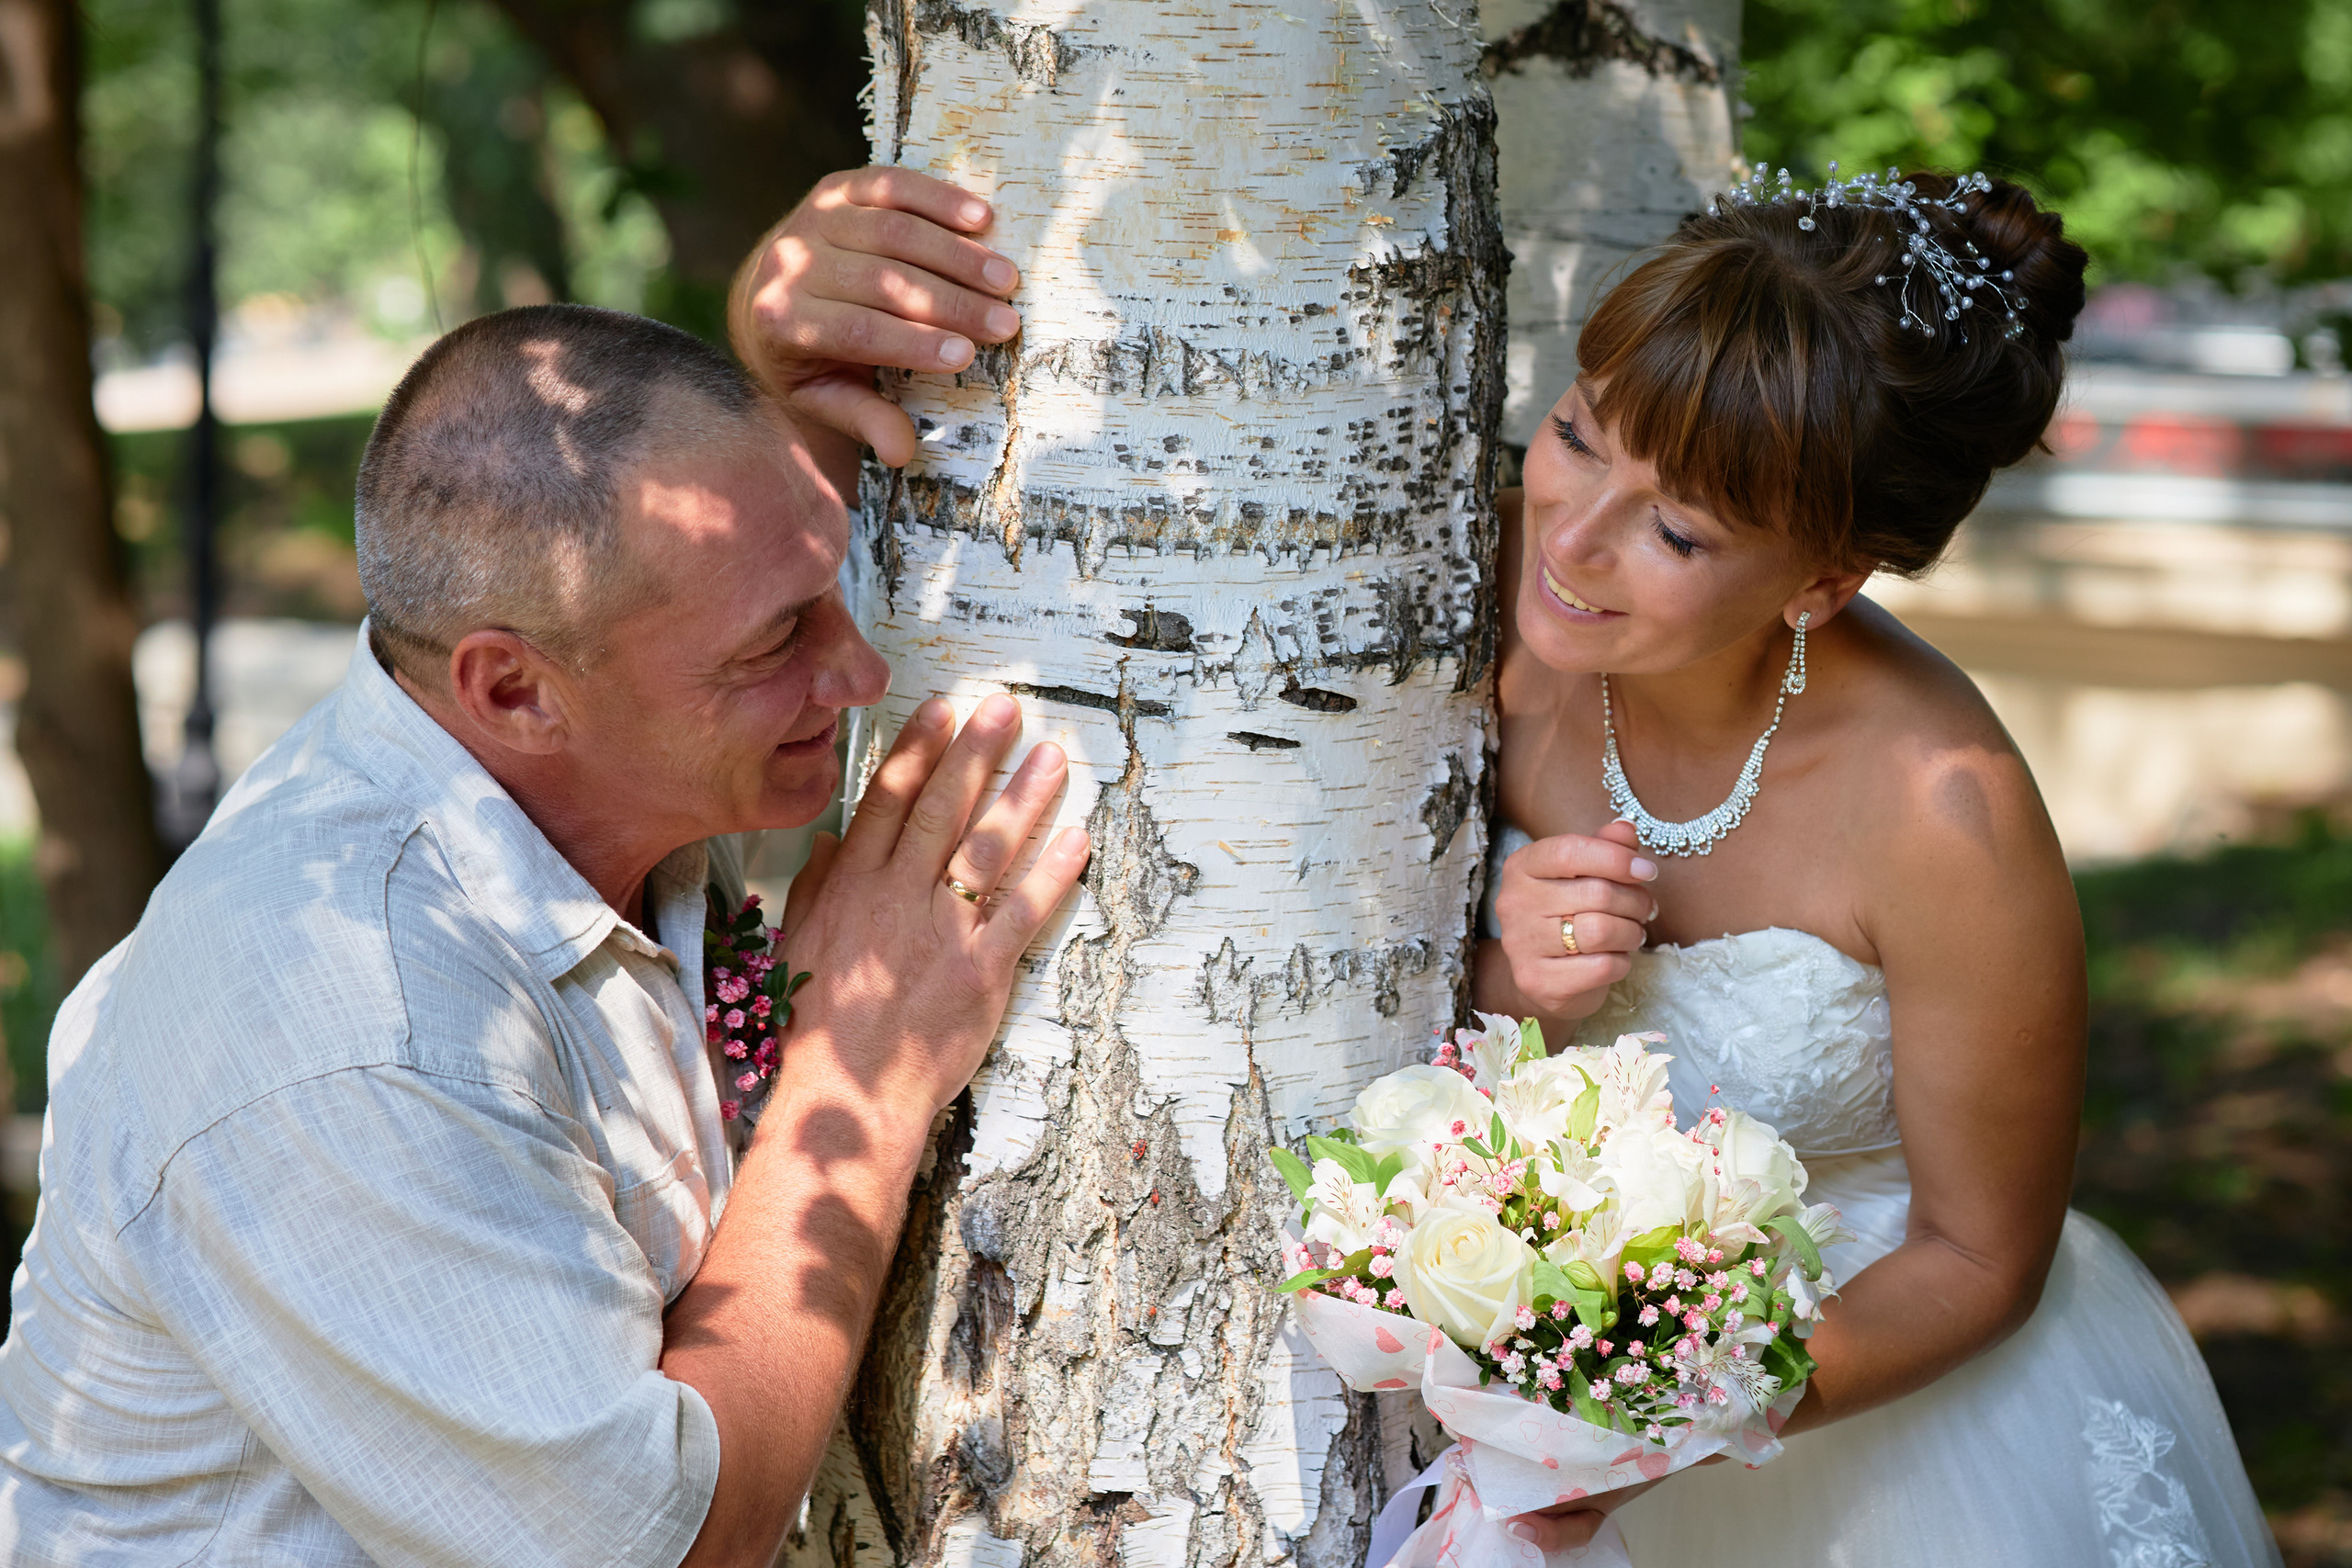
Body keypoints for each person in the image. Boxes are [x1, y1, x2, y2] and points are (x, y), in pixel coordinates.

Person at [734, 166, 2280, 1564]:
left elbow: (1977, 1254)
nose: (1571, 538)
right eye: (1578, 433)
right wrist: (1491, 973)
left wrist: (1655, 1412)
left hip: (1871, 1429)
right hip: (1510, 1373)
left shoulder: (1944, 809)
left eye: (1675, 533)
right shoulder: (1452, 601)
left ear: (1823, 581)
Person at [0, 303, 1090, 1567]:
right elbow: (665, 1549)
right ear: (513, 690)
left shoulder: (600, 757)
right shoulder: (360, 1027)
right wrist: (864, 1072)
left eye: (828, 588)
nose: (855, 674)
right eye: (780, 640)